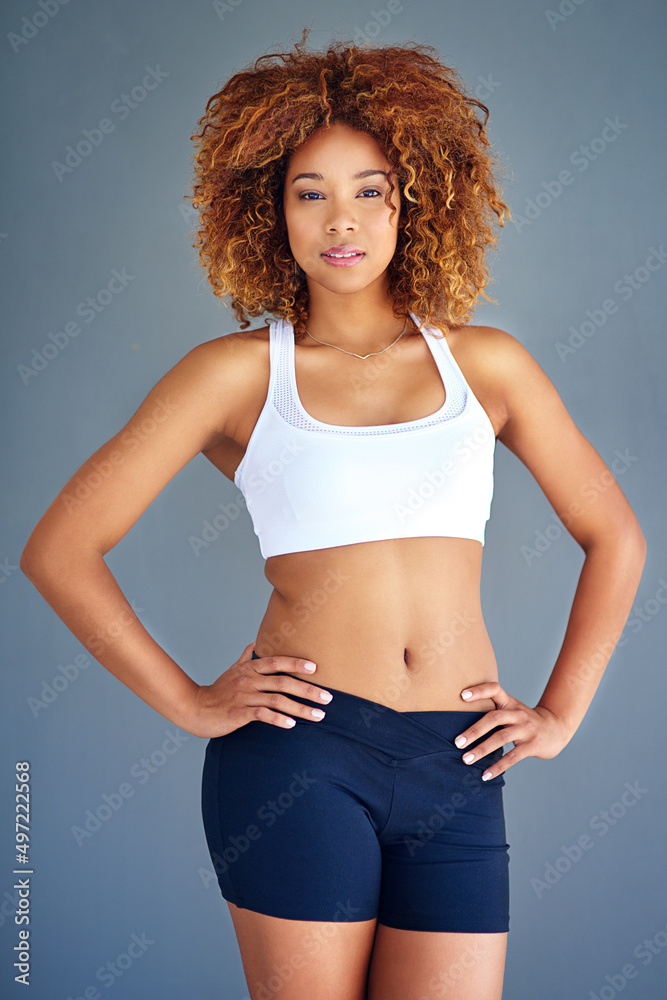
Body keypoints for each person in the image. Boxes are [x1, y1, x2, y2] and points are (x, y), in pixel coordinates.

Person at [20, 29, 646, 1000]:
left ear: (416, 200)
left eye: (370, 190)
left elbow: (616, 536)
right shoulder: (234, 374)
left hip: (457, 762)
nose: (340, 218)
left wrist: (562, 711)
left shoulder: (486, 366)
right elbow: (58, 549)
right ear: (269, 210)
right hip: (298, 757)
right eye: (309, 191)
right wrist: (189, 701)